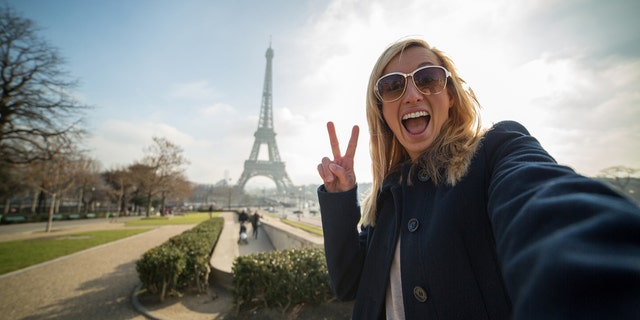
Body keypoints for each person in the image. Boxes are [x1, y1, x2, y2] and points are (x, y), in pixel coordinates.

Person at [316, 38, 640, 319]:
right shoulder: (388, 198)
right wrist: (341, 198)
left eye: (428, 78)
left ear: (452, 96)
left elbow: (548, 211)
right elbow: (347, 284)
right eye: (393, 86)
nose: (412, 94)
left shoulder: (496, 152)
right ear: (383, 112)